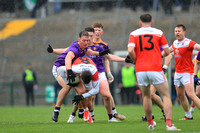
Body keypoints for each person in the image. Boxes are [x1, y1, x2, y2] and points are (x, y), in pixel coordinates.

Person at [128, 14, 180, 131]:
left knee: (146, 96)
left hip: (140, 69)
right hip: (155, 68)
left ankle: (150, 124)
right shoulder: (158, 32)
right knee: (166, 96)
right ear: (151, 22)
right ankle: (169, 125)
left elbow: (130, 50)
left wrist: (136, 59)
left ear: (140, 23)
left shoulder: (134, 34)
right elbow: (167, 51)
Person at [49, 30, 111, 122]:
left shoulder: (83, 47)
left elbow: (87, 51)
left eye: (87, 40)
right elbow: (68, 57)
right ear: (79, 40)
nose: (86, 42)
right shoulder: (75, 48)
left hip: (72, 69)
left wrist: (99, 53)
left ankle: (83, 110)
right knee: (67, 87)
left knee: (82, 91)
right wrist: (69, 71)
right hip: (59, 68)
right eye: (84, 40)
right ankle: (56, 110)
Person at [167, 24, 200, 120]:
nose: (177, 33)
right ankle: (188, 115)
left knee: (191, 95)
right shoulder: (175, 43)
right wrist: (158, 54)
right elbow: (168, 51)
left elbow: (198, 47)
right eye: (176, 31)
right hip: (178, 73)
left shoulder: (188, 42)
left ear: (184, 32)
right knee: (180, 95)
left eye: (179, 31)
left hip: (187, 72)